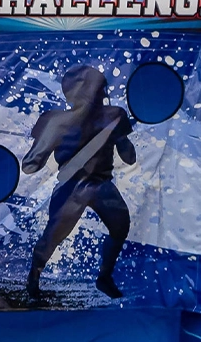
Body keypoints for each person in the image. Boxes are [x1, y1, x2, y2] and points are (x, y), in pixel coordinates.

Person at [20, 65, 135, 301]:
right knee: (53, 236)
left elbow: (129, 157)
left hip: (100, 184)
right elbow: (31, 164)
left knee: (121, 225)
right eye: (100, 90)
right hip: (73, 187)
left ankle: (104, 277)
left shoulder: (109, 116)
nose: (103, 94)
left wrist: (118, 134)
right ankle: (33, 279)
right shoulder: (58, 121)